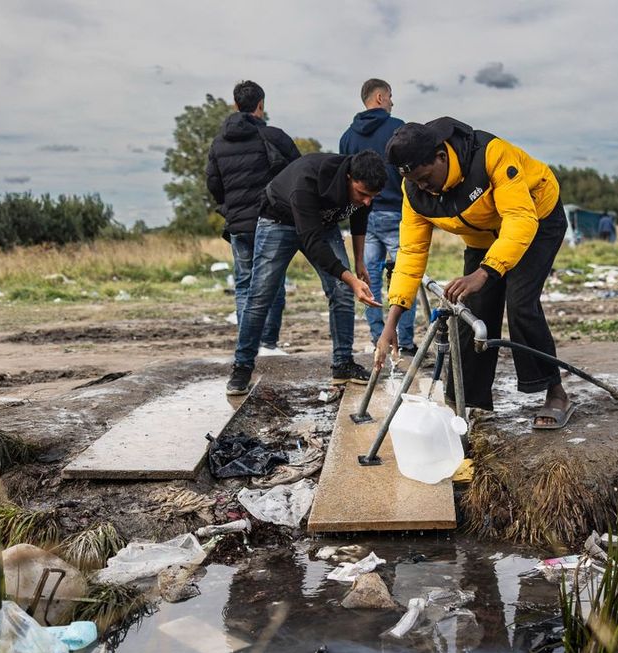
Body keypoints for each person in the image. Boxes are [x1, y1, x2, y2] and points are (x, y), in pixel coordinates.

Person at [378, 117, 574, 431]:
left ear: (441, 157)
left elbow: (519, 219)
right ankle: (463, 402)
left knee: (520, 302)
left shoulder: (490, 155)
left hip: (536, 218)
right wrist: (392, 322)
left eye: (426, 178)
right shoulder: (414, 191)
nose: (424, 187)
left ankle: (556, 392)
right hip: (484, 238)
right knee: (471, 311)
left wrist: (485, 272)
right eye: (415, 182)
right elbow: (411, 252)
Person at [226, 150, 386, 395]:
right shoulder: (308, 181)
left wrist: (359, 262)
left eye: (372, 197)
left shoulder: (364, 188)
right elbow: (312, 242)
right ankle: (242, 366)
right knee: (260, 295)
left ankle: (343, 363)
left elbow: (359, 220)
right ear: (348, 177)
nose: (366, 201)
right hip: (278, 221)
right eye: (362, 194)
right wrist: (351, 279)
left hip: (322, 224)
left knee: (342, 291)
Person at [206, 80, 300, 354]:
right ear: (261, 105)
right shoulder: (274, 137)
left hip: (237, 224)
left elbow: (213, 184)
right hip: (272, 222)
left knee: (244, 284)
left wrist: (229, 207)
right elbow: (300, 173)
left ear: (235, 105)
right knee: (274, 284)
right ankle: (268, 343)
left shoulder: (218, 143)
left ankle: (247, 345)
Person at [339, 78, 418, 358]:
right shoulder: (398, 128)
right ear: (380, 98)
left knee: (368, 276)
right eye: (390, 96)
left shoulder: (347, 137)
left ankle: (378, 339)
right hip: (396, 212)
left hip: (363, 215)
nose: (393, 102)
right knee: (404, 276)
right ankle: (404, 341)